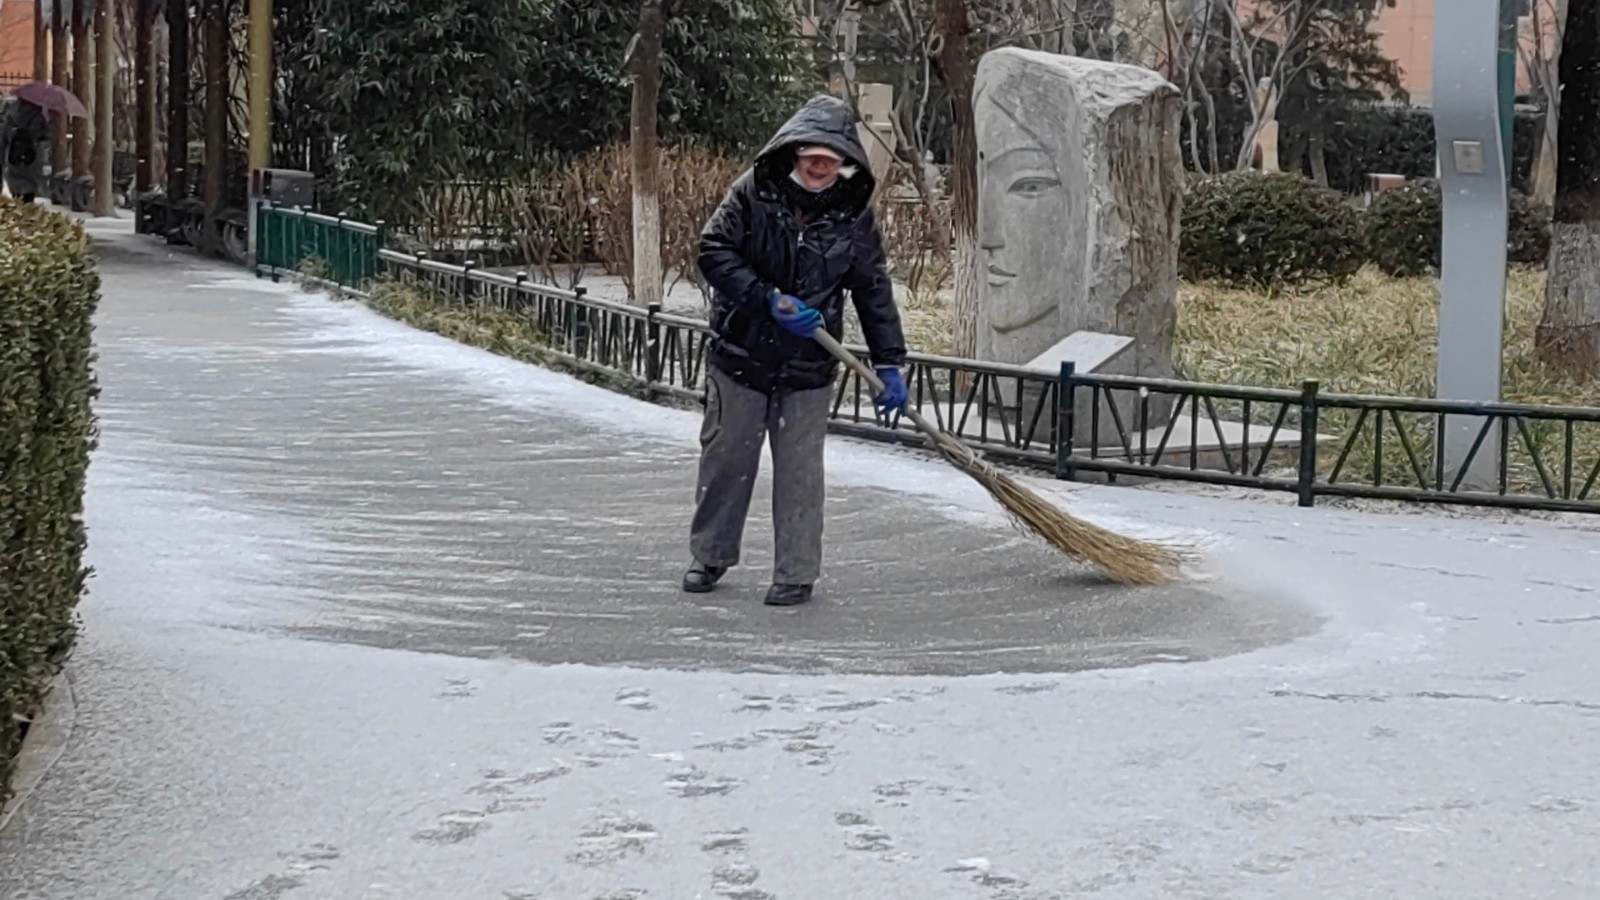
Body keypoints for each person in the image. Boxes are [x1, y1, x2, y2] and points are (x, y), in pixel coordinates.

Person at [682, 94, 909, 607]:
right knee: (727, 461)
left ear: (844, 164)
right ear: (794, 154)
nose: (821, 167)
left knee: (801, 474)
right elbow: (713, 250)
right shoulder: (752, 193)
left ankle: (797, 571)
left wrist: (890, 362)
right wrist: (768, 299)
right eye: (812, 158)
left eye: (831, 160)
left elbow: (873, 289)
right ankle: (711, 554)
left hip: (808, 366)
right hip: (740, 355)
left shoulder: (854, 216)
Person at [1, 99, 50, 204]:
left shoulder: (11, 115)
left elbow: (4, 139)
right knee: (28, 194)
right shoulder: (39, 116)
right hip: (31, 161)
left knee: (16, 193)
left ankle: (19, 209)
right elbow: (46, 136)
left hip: (13, 158)